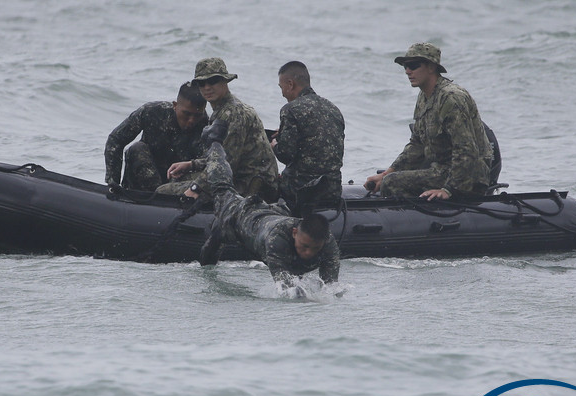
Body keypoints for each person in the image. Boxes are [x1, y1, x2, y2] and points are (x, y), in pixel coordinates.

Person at [196, 119, 339, 295]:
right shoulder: (275, 241)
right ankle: (214, 140)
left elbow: (331, 286)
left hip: (275, 213)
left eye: (314, 248)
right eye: (304, 246)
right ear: (295, 233)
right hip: (242, 217)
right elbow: (285, 287)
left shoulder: (328, 242)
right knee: (222, 188)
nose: (308, 253)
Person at [364, 42, 493, 201]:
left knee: (392, 184)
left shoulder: (451, 98)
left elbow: (466, 149)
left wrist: (448, 190)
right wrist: (386, 174)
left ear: (431, 67)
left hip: (469, 176)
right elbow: (417, 145)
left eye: (413, 65)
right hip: (441, 170)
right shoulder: (424, 97)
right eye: (405, 66)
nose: (407, 71)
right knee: (389, 179)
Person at [157, 58, 279, 202]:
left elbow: (227, 162)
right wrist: (192, 164)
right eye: (202, 83)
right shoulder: (223, 110)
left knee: (162, 191)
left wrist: (196, 188)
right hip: (242, 178)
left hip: (252, 187)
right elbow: (220, 156)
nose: (207, 87)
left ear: (225, 81)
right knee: (178, 179)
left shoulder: (233, 112)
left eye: (213, 81)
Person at [104, 82, 207, 191]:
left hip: (177, 186)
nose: (191, 120)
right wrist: (113, 182)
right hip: (142, 178)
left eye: (197, 115)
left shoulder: (206, 126)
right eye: (186, 114)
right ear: (175, 105)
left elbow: (210, 161)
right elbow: (115, 140)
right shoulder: (152, 112)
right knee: (137, 148)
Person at [271, 61, 345, 208]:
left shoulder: (290, 109)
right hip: (332, 189)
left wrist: (274, 145)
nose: (282, 93)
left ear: (290, 84)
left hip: (302, 190)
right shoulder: (333, 108)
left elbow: (285, 155)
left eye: (282, 87)